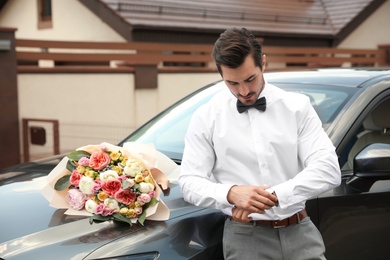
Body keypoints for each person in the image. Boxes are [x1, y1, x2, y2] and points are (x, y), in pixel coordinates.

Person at [178, 27, 341, 259]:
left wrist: (273, 195)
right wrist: (232, 194)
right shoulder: (206, 117)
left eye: (250, 79)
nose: (243, 91)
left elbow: (328, 170)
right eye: (232, 83)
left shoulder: (297, 107)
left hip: (301, 233)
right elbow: (189, 182)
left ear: (263, 63)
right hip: (245, 239)